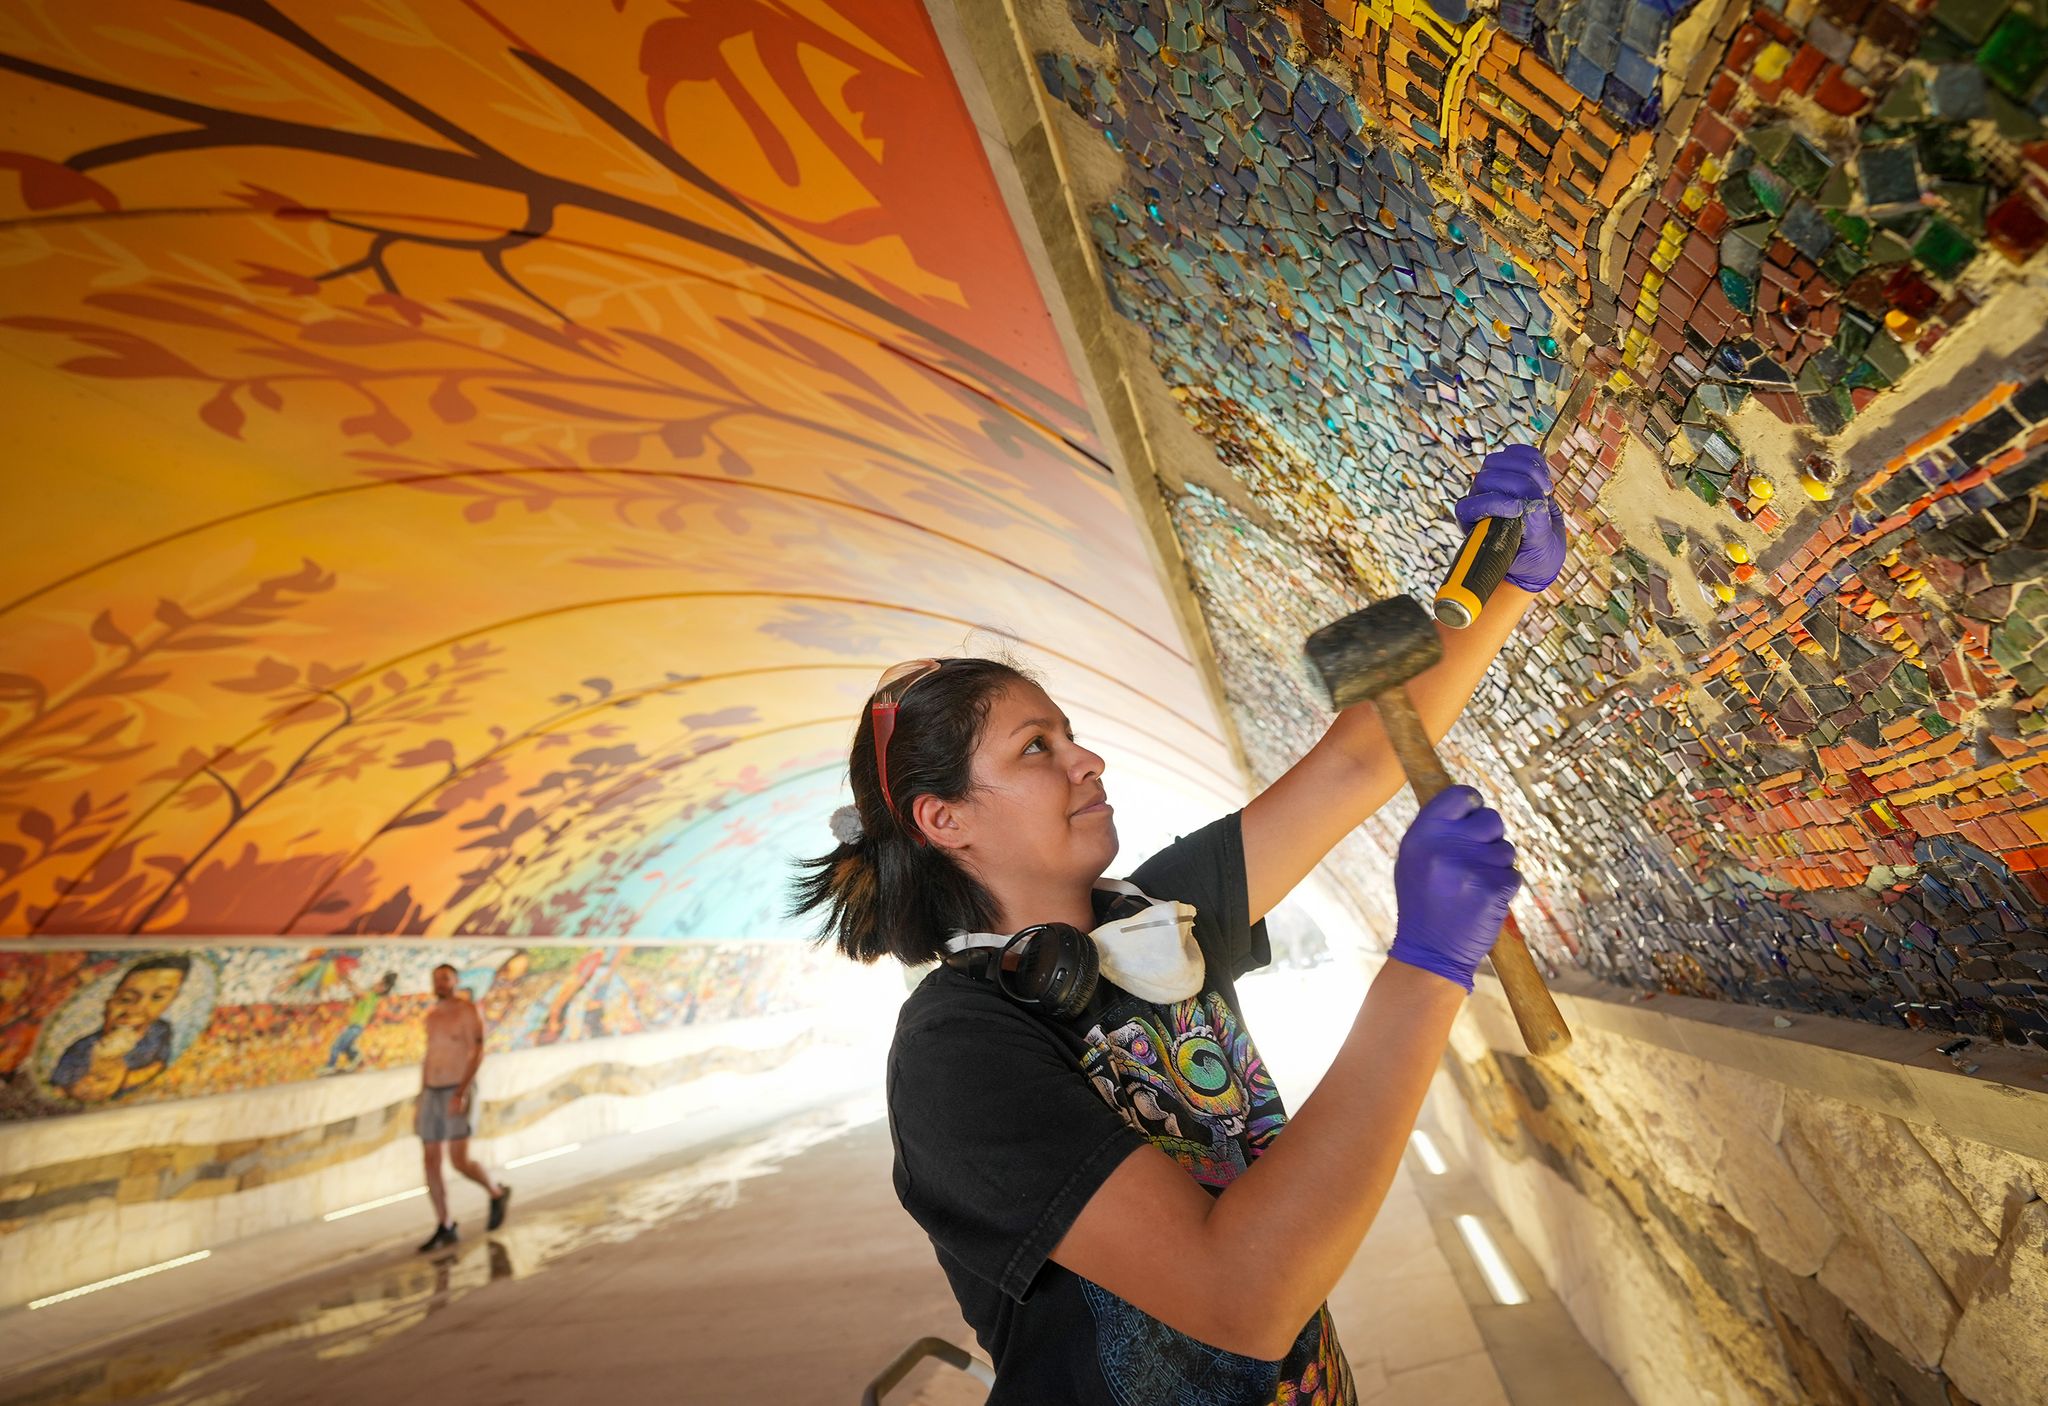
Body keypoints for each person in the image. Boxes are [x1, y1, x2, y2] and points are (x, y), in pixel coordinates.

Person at [791, 446, 1564, 1403]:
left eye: (1072, 734)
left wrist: (1507, 583)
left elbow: (1361, 762)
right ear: (943, 820)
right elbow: (1241, 1295)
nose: (1091, 760)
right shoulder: (957, 1053)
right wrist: (1427, 963)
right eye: (1039, 748)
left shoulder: (1159, 918)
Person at [415, 962, 511, 1251]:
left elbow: (477, 1050)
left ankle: (496, 1193)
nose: (440, 983)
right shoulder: (432, 1017)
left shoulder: (467, 1011)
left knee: (459, 1160)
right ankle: (445, 1224)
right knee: (430, 1159)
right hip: (432, 1091)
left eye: (445, 978)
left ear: (455, 980)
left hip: (457, 1089)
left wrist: (462, 1091)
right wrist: (421, 1096)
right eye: (436, 979)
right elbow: (429, 1056)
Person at [52, 953, 190, 1104]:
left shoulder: (160, 1031)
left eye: (158, 997)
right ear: (106, 1004)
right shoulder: (81, 1050)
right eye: (126, 999)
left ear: (174, 998)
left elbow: (160, 1065)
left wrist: (125, 1078)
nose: (137, 1010)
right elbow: (59, 1091)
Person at [324, 970, 395, 1072]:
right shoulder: (372, 995)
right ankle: (358, 1059)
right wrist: (347, 980)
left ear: (382, 988)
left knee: (337, 1046)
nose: (375, 983)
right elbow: (357, 989)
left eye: (379, 983)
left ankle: (330, 1066)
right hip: (356, 1027)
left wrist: (346, 980)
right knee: (347, 1047)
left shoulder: (371, 996)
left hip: (355, 1027)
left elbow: (356, 990)